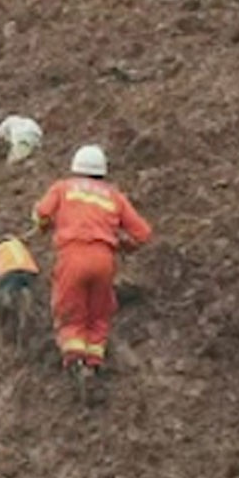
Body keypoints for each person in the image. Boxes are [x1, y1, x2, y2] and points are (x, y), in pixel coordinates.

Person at [31, 144, 152, 377]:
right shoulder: (114, 196)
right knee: (99, 311)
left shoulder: (63, 188)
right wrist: (122, 244)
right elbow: (143, 233)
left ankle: (75, 361)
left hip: (73, 256)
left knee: (70, 308)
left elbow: (42, 214)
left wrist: (43, 225)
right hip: (104, 261)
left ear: (75, 167)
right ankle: (95, 360)